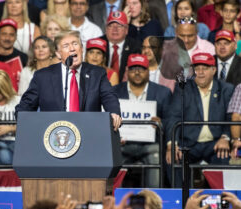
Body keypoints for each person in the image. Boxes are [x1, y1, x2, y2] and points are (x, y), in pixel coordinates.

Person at [15, 30, 122, 130]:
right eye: (66, 46)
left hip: (88, 132)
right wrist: (23, 119)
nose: (72, 48)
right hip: (53, 136)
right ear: (58, 54)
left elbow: (109, 96)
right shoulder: (43, 76)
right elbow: (26, 106)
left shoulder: (97, 73)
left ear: (81, 48)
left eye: (75, 44)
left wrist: (114, 112)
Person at [166, 52, 234, 186]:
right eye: (197, 69)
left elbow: (231, 117)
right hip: (188, 143)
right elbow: (173, 116)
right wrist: (172, 144)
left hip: (214, 143)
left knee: (223, 157)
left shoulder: (226, 89)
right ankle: (183, 201)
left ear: (214, 70)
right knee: (174, 158)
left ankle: (218, 201)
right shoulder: (183, 87)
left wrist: (225, 137)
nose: (200, 73)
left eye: (205, 68)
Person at [114, 54, 171, 187]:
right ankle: (116, 200)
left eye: (142, 69)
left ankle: (153, 199)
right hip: (122, 144)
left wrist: (160, 123)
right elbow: (107, 119)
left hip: (150, 145)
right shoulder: (114, 92)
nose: (137, 73)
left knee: (155, 156)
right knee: (113, 155)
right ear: (127, 71)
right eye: (134, 69)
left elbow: (170, 120)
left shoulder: (163, 93)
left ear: (148, 72)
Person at [100, 11, 141, 82]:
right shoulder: (98, 44)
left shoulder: (136, 46)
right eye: (111, 25)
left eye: (120, 26)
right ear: (106, 29)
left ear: (126, 30)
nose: (115, 29)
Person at [0, 18, 28, 84]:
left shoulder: (24, 58)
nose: (7, 38)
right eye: (4, 34)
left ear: (16, 37)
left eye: (11, 35)